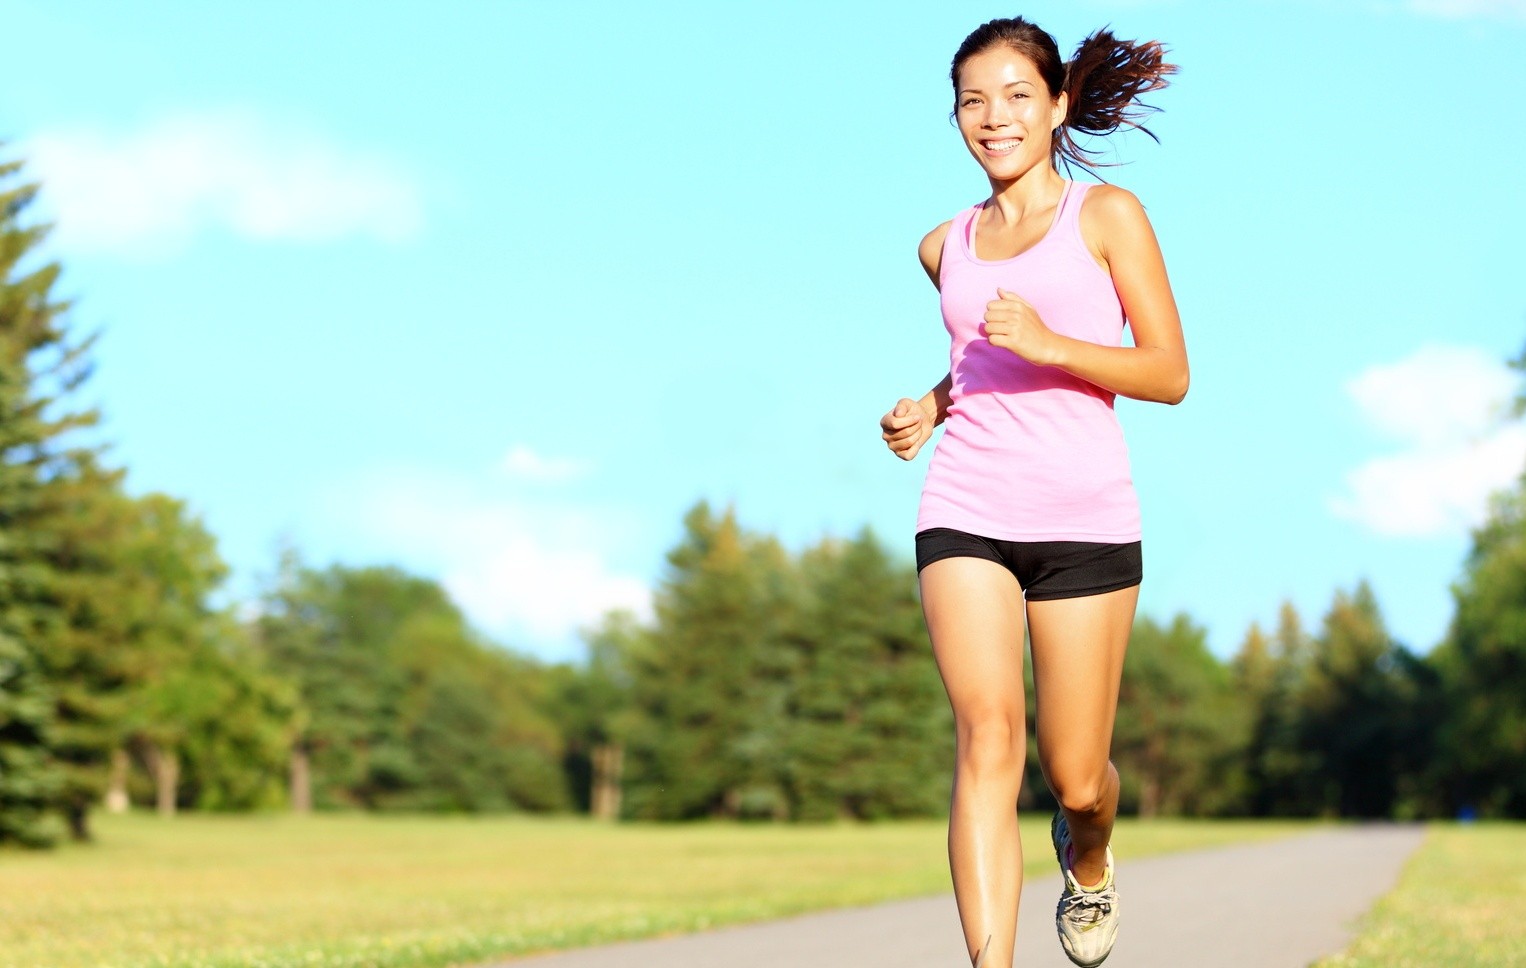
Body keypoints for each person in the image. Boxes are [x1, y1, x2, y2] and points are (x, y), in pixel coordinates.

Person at [878, 16, 1187, 968]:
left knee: (1076, 773)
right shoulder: (945, 245)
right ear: (956, 119)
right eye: (974, 100)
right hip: (965, 505)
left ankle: (1087, 860)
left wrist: (1051, 343)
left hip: (1085, 516)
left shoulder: (1108, 216)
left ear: (1056, 106)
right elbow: (978, 362)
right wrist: (929, 406)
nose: (994, 116)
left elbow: (1168, 372)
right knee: (986, 736)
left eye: (1016, 95)